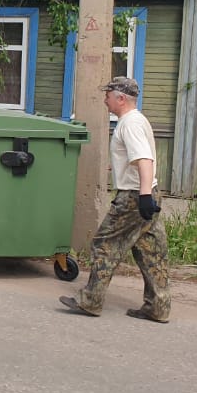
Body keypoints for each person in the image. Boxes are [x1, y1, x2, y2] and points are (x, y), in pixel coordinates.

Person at [60, 76, 171, 323]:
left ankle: (90, 301)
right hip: (149, 191)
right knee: (152, 251)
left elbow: (144, 160)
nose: (105, 100)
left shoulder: (128, 124)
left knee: (104, 244)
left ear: (121, 98)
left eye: (108, 95)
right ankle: (158, 306)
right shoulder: (137, 120)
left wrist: (142, 197)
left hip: (134, 196)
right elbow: (138, 159)